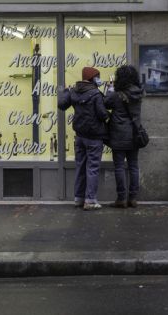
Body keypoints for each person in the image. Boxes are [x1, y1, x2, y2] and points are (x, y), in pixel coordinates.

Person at [58, 67, 109, 211]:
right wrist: (107, 116)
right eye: (97, 77)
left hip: (79, 136)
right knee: (92, 167)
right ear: (92, 78)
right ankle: (90, 201)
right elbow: (102, 114)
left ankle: (78, 199)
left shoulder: (74, 91)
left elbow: (61, 105)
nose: (99, 79)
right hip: (94, 137)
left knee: (80, 167)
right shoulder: (95, 94)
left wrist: (66, 91)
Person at [104, 65, 144, 208]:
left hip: (118, 134)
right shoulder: (139, 93)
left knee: (119, 167)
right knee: (134, 166)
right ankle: (133, 198)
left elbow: (105, 103)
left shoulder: (116, 94)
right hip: (134, 134)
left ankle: (121, 198)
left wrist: (109, 89)